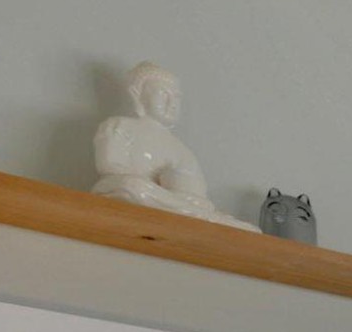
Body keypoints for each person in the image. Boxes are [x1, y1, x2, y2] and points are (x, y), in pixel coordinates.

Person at [91, 62, 254, 230]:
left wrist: (173, 194)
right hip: (124, 189)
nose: (172, 102)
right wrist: (155, 190)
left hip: (167, 202)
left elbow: (194, 196)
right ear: (137, 94)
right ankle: (207, 219)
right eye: (163, 94)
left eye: (177, 97)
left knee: (200, 210)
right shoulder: (119, 125)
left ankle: (207, 219)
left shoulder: (180, 149)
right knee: (131, 187)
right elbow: (108, 166)